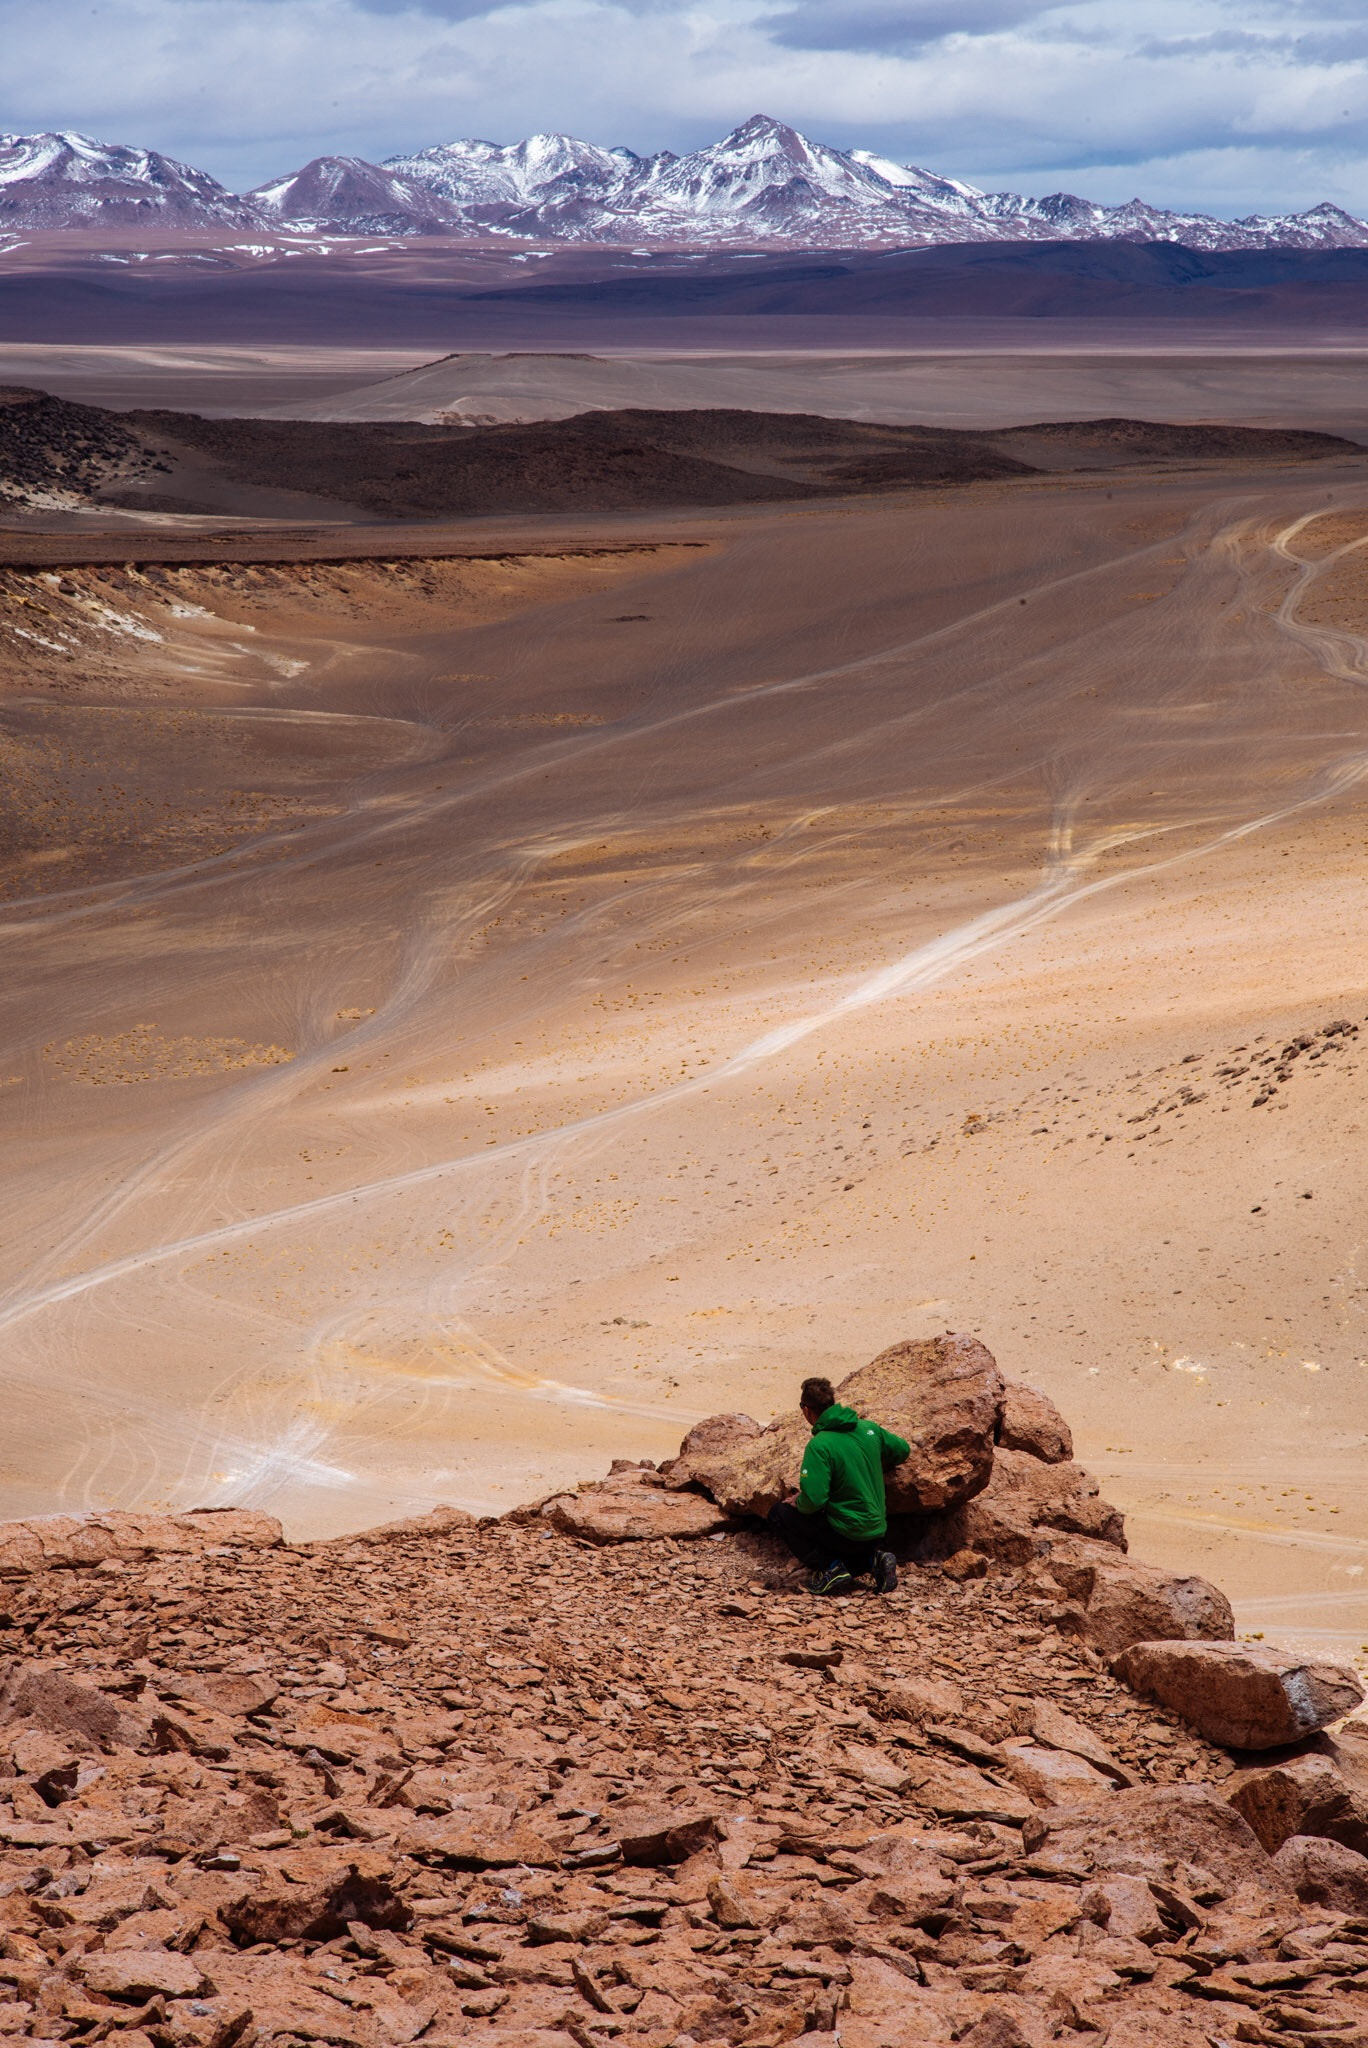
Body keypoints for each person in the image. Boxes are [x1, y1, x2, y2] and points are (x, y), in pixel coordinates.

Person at [766, 1375, 909, 1596]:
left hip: (847, 1533)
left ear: (806, 1410)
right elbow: (902, 1450)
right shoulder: (868, 1428)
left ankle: (829, 1567)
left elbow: (814, 1501)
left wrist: (798, 1501)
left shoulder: (820, 1444)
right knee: (845, 1530)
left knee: (779, 1513)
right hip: (877, 1530)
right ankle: (873, 1560)